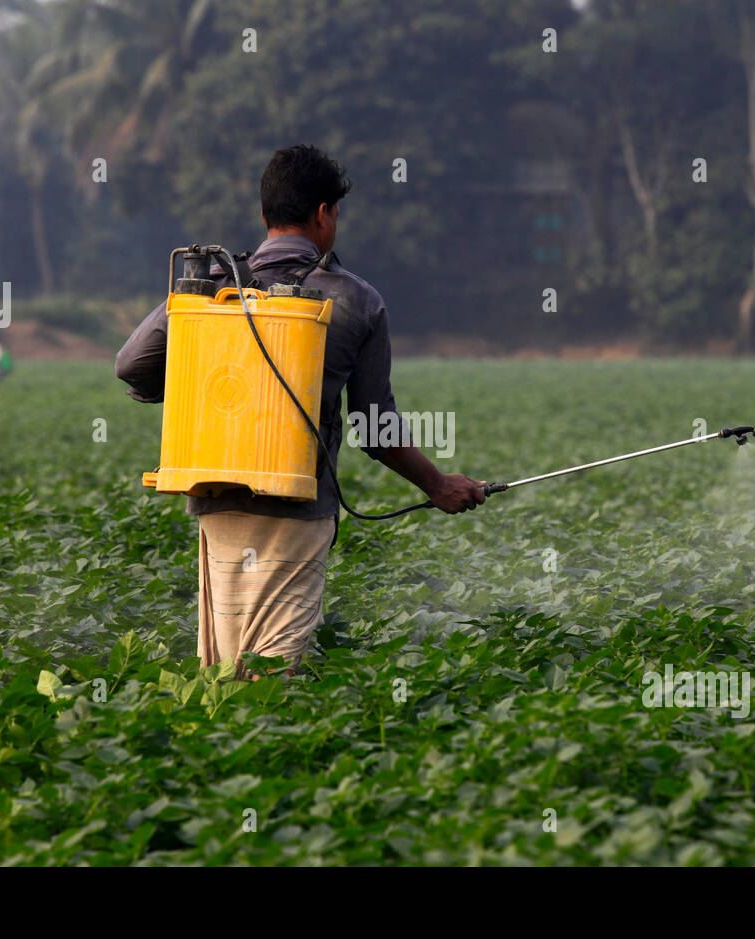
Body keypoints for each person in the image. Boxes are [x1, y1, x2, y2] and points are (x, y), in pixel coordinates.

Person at [116, 144, 487, 679]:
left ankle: (219, 753)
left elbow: (131, 365)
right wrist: (437, 484)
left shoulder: (213, 285)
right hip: (297, 510)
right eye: (336, 212)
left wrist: (190, 371)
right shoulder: (357, 301)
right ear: (322, 214)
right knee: (271, 677)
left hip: (216, 505)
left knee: (224, 671)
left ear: (265, 215)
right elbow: (376, 427)